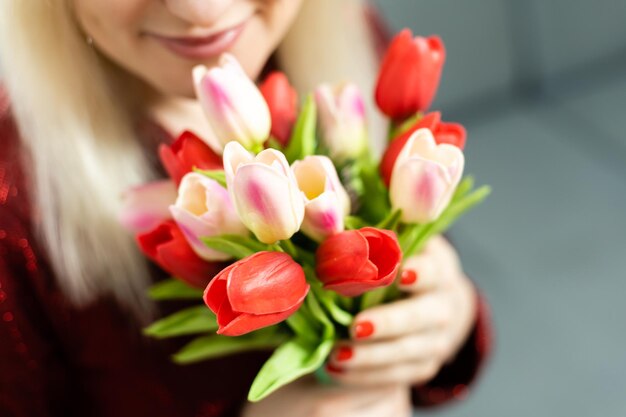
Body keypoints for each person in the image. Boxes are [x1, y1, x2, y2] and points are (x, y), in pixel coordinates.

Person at [0, 1, 490, 416]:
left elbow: (416, 254)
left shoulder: (337, 37)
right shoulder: (14, 204)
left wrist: (443, 320)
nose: (203, 12)